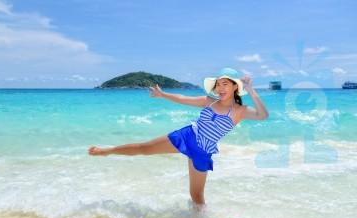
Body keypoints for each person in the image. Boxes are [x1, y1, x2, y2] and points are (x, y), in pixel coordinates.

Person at [88, 68, 268, 208]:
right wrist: (163, 94)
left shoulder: (240, 111)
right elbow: (183, 98)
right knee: (144, 148)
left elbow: (263, 115)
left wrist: (251, 90)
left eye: (225, 84)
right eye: (218, 84)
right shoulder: (208, 101)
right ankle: (107, 151)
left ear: (235, 86)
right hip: (188, 135)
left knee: (196, 196)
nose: (220, 88)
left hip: (203, 151)